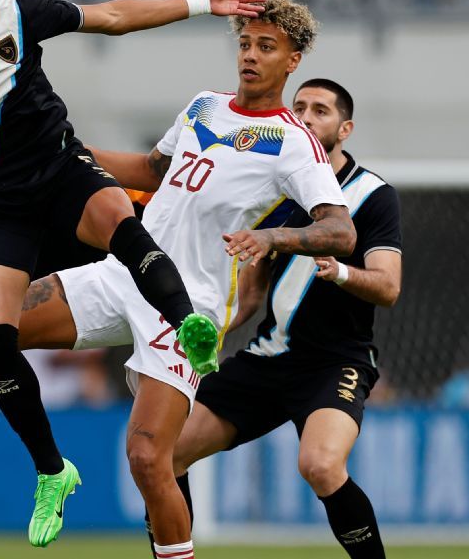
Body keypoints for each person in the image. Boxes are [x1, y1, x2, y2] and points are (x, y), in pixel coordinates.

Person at [0, 0, 356, 559]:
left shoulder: (296, 144)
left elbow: (341, 231)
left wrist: (273, 237)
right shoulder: (205, 105)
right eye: (246, 43)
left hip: (189, 309)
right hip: (123, 274)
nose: (250, 55)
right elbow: (151, 171)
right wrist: (57, 151)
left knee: (149, 460)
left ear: (292, 60)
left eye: (266, 47)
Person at [171, 78, 402, 559]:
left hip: (336, 361)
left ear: (345, 129)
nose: (307, 117)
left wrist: (341, 272)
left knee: (320, 466)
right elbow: (251, 294)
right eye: (300, 108)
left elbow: (389, 287)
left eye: (321, 110)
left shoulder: (373, 195)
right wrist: (210, 333)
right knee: (165, 455)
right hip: (269, 356)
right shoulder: (275, 189)